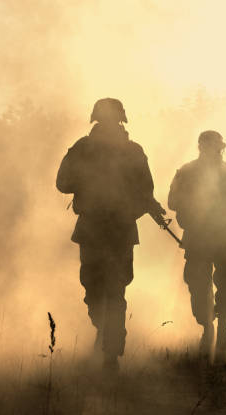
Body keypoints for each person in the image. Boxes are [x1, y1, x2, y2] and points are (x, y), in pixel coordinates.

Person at [56, 98, 165, 370]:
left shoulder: (132, 151)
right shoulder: (82, 148)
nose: (108, 124)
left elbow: (145, 192)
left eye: (111, 119)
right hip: (94, 228)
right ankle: (104, 331)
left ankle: (111, 353)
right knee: (93, 290)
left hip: (118, 229)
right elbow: (62, 183)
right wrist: (88, 179)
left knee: (115, 290)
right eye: (104, 119)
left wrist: (127, 209)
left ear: (119, 120)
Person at [168, 130, 226, 362]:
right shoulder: (186, 173)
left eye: (214, 147)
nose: (212, 151)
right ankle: (208, 328)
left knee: (225, 282)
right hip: (198, 236)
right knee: (198, 283)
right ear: (200, 148)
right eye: (208, 147)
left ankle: (222, 330)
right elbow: (172, 201)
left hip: (223, 236)